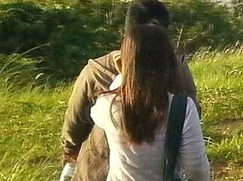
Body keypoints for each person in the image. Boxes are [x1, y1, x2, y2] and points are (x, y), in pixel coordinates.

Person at [61, 0, 200, 181]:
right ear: (165, 36)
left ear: (126, 33)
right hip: (161, 171)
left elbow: (75, 124)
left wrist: (70, 157)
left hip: (97, 169)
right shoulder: (178, 71)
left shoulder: (97, 70)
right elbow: (193, 118)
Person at [91, 23, 212, 180]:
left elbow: (97, 112)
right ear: (169, 63)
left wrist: (125, 74)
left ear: (123, 64)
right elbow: (196, 170)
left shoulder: (107, 105)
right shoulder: (182, 108)